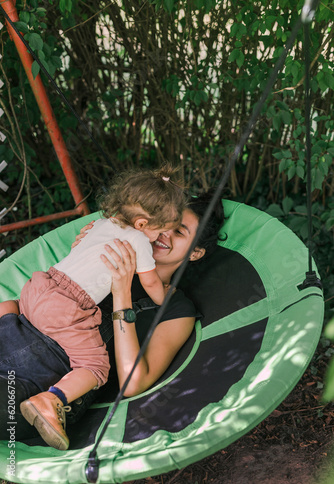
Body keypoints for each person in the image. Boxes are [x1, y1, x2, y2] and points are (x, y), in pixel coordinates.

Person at [0, 191, 224, 450]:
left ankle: (49, 403)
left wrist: (122, 294)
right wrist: (83, 252)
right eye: (162, 223)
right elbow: (27, 303)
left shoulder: (176, 308)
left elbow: (133, 382)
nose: (163, 233)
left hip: (39, 384)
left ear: (195, 253)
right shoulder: (112, 248)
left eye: (178, 231)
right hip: (12, 335)